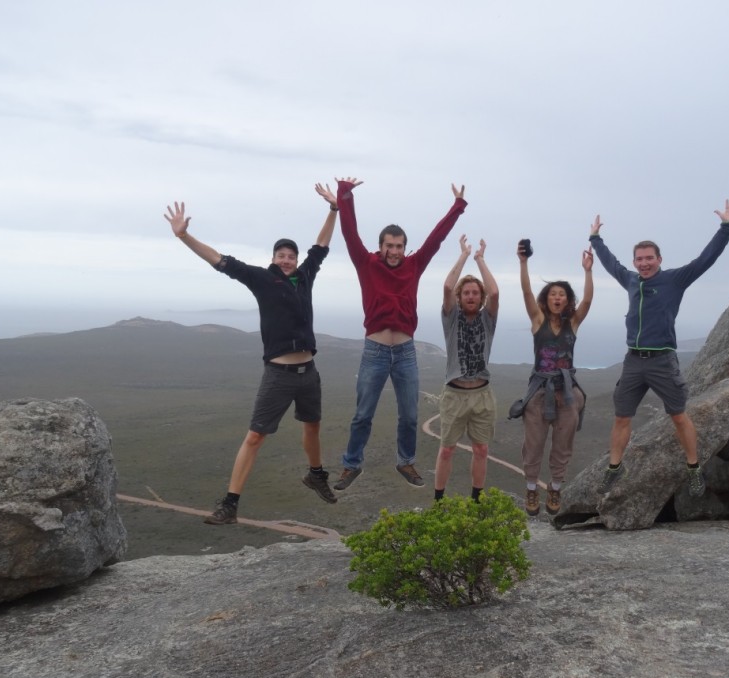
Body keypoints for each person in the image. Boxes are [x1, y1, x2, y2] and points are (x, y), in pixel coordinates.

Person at [162, 184, 340, 525]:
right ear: (273, 259)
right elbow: (221, 261)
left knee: (313, 426)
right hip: (278, 374)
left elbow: (321, 245)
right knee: (255, 436)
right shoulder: (260, 279)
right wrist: (185, 236)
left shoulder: (305, 277)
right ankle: (230, 503)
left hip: (309, 373)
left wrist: (334, 210)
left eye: (291, 255)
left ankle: (316, 474)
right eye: (281, 255)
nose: (287, 260)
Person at [589, 199, 729, 498]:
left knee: (678, 415)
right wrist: (596, 239)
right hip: (634, 362)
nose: (644, 263)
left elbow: (705, 260)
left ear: (659, 259)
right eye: (639, 259)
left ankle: (693, 467)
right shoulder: (631, 280)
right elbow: (612, 264)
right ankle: (614, 467)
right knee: (622, 417)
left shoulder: (675, 280)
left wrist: (727, 227)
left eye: (649, 258)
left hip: (662, 361)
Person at [331, 177, 467, 491]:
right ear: (380, 247)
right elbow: (349, 232)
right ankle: (351, 464)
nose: (394, 251)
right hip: (375, 352)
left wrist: (457, 207)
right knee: (363, 414)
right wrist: (345, 194)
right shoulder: (366, 263)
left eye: (399, 246)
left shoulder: (414, 264)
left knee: (409, 415)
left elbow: (436, 238)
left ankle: (406, 461)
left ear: (404, 247)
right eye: (389, 246)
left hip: (406, 352)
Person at [510, 239, 594, 516]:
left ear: (568, 300)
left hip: (567, 393)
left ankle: (555, 488)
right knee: (533, 444)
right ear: (546, 299)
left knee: (563, 444)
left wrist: (588, 272)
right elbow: (525, 291)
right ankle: (532, 490)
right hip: (539, 393)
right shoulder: (537, 321)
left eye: (562, 295)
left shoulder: (573, 323)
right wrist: (523, 263)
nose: (557, 298)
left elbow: (589, 300)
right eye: (552, 294)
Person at [433, 235, 500, 502]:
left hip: (482, 394)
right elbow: (448, 286)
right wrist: (463, 255)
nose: (471, 296)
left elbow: (495, 292)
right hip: (455, 395)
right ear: (460, 297)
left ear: (480, 297)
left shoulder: (488, 319)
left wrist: (480, 259)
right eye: (467, 292)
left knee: (481, 449)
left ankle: (476, 500)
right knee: (447, 450)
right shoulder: (451, 318)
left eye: (475, 292)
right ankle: (438, 501)